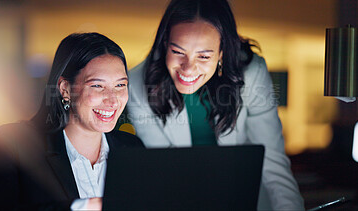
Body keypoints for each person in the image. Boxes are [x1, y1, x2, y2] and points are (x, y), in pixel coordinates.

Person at [126, 0, 305, 210]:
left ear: (222, 52)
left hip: (244, 200)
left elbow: (273, 164)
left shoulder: (252, 73)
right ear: (165, 43)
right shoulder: (138, 84)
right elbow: (167, 169)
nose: (188, 69)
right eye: (178, 52)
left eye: (203, 56)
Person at [0, 33, 144, 210]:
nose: (113, 100)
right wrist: (84, 207)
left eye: (120, 85)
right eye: (97, 86)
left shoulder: (132, 148)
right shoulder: (15, 145)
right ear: (65, 89)